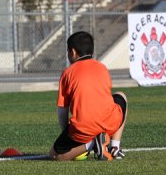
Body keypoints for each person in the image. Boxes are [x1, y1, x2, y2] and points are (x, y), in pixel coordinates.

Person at [49, 31, 128, 161]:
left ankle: (91, 144)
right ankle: (115, 147)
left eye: (68, 52)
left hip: (83, 129)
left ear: (73, 52)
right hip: (109, 123)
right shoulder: (102, 68)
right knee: (121, 96)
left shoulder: (67, 73)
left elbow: (62, 110)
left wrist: (66, 133)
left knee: (55, 154)